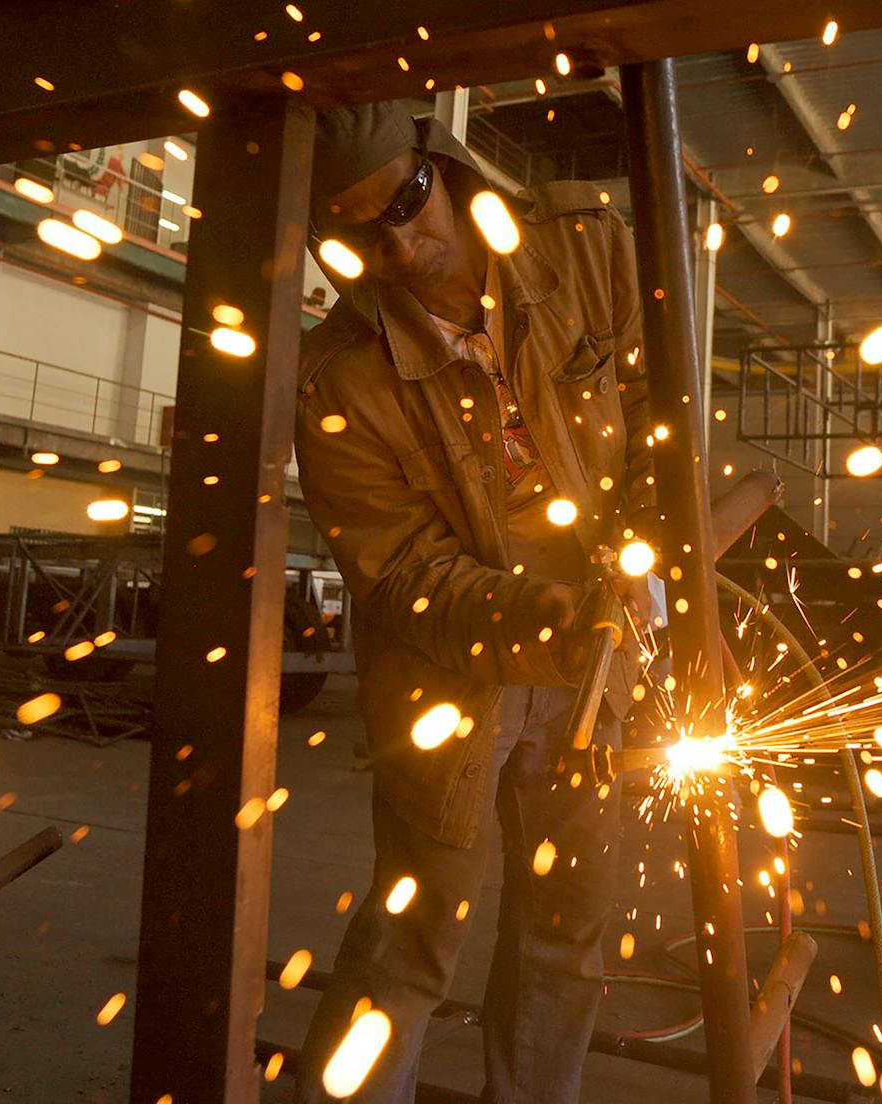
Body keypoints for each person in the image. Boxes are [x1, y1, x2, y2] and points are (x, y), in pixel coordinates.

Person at [290, 100, 658, 1103]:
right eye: (363, 229)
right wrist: (553, 622)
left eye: (409, 204)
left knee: (568, 924)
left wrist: (648, 550)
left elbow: (660, 410)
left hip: (596, 651)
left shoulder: (583, 249)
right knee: (416, 927)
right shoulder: (336, 374)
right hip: (449, 667)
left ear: (441, 164)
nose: (402, 244)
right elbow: (404, 572)